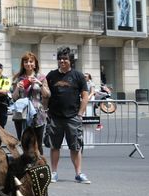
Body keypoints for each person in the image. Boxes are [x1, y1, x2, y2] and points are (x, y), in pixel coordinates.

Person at [44, 47, 90, 184]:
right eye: (60, 59)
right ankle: (54, 173)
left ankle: (78, 174)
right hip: (55, 117)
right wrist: (46, 110)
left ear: (71, 60)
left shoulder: (78, 76)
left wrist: (80, 114)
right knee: (54, 146)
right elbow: (46, 95)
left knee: (75, 147)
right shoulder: (51, 75)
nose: (62, 61)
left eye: (65, 59)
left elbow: (85, 96)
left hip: (72, 117)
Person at [10, 52, 49, 144]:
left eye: (31, 61)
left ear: (35, 64)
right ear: (23, 64)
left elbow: (47, 95)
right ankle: (25, 158)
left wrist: (40, 85)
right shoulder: (18, 78)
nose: (28, 64)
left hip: (37, 114)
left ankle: (38, 158)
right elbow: (14, 98)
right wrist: (17, 89)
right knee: (24, 142)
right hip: (22, 114)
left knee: (37, 143)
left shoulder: (41, 77)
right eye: (26, 62)